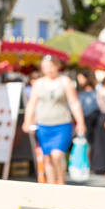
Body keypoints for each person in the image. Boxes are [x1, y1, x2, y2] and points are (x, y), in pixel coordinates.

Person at [22, 55, 86, 185]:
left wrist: (80, 121)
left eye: (51, 66)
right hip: (44, 125)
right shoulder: (39, 83)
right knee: (47, 158)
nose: (48, 69)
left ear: (57, 66)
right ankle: (50, 186)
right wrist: (27, 121)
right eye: (45, 67)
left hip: (62, 124)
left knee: (57, 155)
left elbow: (74, 103)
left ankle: (61, 183)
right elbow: (32, 104)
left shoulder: (65, 81)